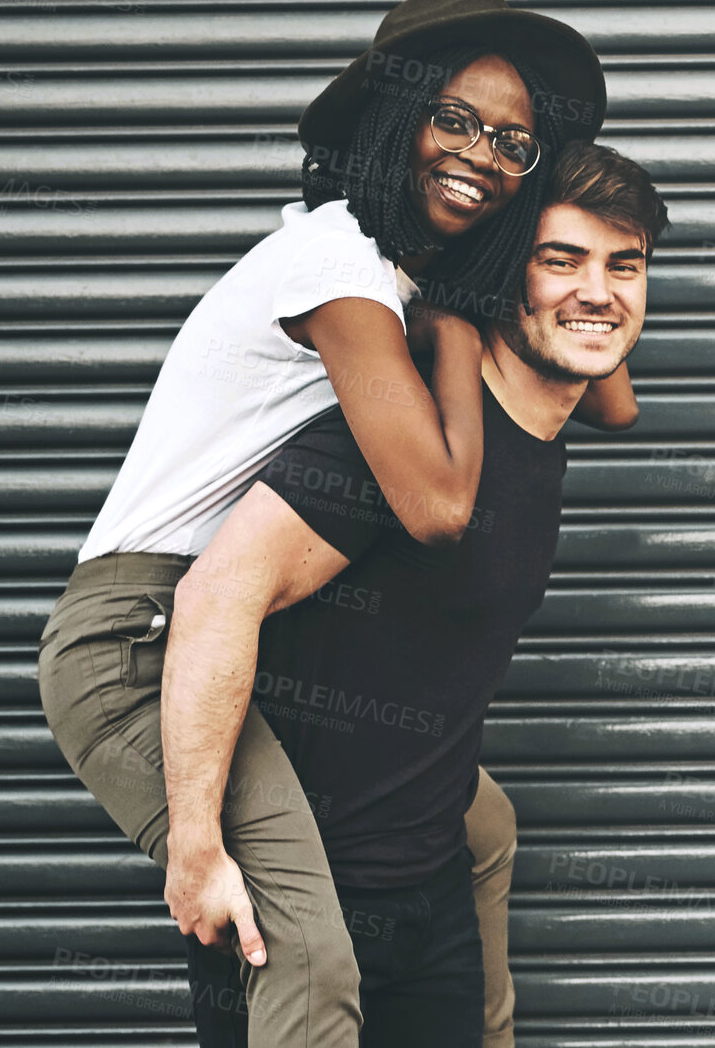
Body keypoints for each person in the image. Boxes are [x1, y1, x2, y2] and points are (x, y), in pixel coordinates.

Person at [37, 0, 631, 1047]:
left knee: (477, 821)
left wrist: (536, 256)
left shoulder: (408, 269)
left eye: (513, 141)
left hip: (211, 627)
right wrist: (195, 842)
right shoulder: (340, 268)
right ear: (388, 120)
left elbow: (613, 396)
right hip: (133, 643)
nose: (483, 153)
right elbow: (437, 504)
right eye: (454, 119)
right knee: (304, 949)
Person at [178, 139, 667, 1046]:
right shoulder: (398, 442)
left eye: (623, 267)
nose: (597, 291)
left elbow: (609, 377)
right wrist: (198, 845)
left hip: (430, 898)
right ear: (500, 275)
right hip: (303, 906)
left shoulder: (544, 421)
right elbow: (215, 600)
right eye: (559, 260)